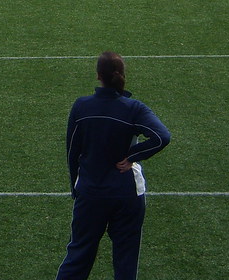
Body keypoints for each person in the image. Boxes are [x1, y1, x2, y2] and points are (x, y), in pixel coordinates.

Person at [55, 51, 171, 280]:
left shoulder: (81, 107)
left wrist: (75, 188)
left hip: (91, 192)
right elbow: (161, 137)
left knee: (78, 257)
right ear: (122, 75)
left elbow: (72, 152)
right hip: (126, 193)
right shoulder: (134, 108)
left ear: (98, 76)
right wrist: (132, 156)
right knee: (126, 261)